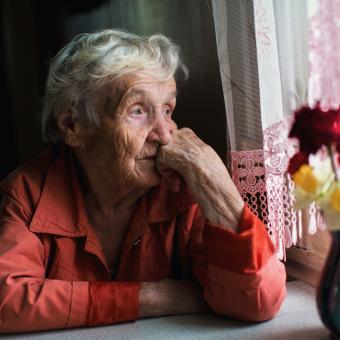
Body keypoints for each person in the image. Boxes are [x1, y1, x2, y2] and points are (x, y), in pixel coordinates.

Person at [0, 29, 286, 333]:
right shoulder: (27, 193)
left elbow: (259, 299)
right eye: (137, 111)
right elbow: (6, 302)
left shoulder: (184, 192)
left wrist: (215, 183)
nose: (164, 135)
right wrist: (155, 296)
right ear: (73, 126)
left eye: (167, 109)